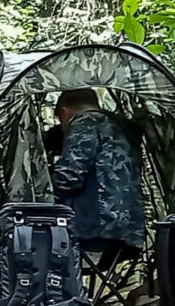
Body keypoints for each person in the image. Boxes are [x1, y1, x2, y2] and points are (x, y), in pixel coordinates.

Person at [51, 89, 146, 269]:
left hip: (95, 227)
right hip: (130, 230)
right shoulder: (123, 127)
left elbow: (68, 177)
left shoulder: (86, 123)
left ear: (63, 112)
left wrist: (41, 195)